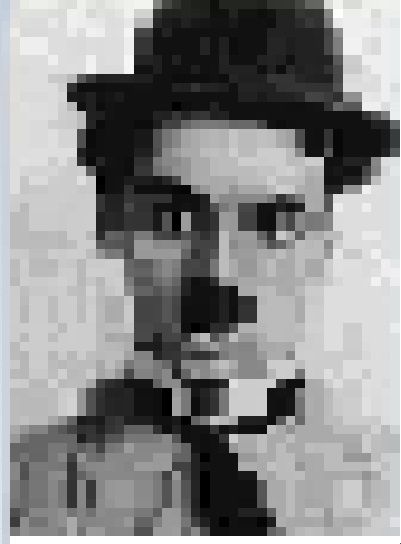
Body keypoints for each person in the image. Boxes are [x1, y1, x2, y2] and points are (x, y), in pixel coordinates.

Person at [12, 0, 398, 536]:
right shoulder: (19, 497)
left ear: (324, 240)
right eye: (171, 219)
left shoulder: (390, 498)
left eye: (274, 224)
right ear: (110, 222)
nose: (219, 272)